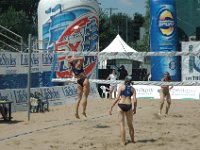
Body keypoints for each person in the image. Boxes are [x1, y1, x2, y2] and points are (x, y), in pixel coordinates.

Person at [109, 75, 137, 145]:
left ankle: (123, 142)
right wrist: (135, 108)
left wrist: (111, 107)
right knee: (130, 125)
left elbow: (117, 98)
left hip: (121, 105)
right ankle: (133, 140)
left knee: (122, 125)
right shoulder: (133, 89)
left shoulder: (121, 87)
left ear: (125, 80)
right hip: (129, 106)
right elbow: (135, 100)